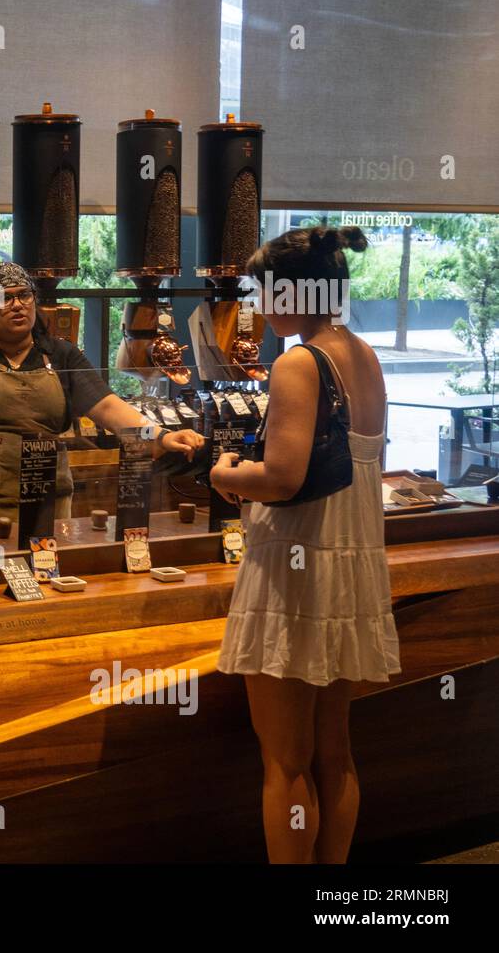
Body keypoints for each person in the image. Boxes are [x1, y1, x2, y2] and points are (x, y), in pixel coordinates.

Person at [211, 225, 399, 864]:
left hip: (297, 568)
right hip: (349, 568)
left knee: (285, 763)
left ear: (294, 291)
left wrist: (223, 473)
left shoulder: (299, 361)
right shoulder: (365, 356)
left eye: (262, 293)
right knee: (335, 753)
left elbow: (283, 477)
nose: (258, 308)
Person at [0, 261, 204, 524]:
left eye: (24, 295)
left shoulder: (62, 355)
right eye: (4, 298)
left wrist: (162, 436)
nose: (18, 305)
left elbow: (110, 409)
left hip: (49, 504)